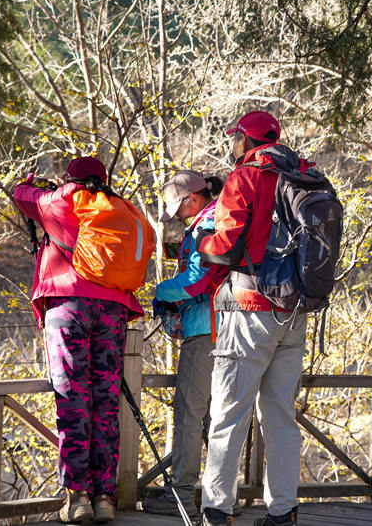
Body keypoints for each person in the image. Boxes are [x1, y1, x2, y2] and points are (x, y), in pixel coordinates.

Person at [13, 156, 145, 524]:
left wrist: (39, 184)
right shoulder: (119, 208)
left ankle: (77, 497)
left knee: (73, 399)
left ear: (70, 178)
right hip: (114, 310)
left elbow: (21, 194)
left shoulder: (61, 200)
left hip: (69, 307)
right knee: (105, 402)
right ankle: (104, 497)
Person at [196, 111, 306, 526]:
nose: (232, 143)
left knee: (228, 412)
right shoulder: (302, 174)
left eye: (235, 136)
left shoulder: (245, 176)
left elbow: (225, 245)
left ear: (247, 139)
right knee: (280, 415)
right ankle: (283, 512)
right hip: (293, 310)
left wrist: (202, 244)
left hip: (249, 307)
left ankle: (216, 510)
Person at [142, 170, 227, 516]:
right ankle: (221, 497)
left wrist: (161, 293)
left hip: (206, 330)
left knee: (189, 413)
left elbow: (195, 281)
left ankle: (181, 495)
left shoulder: (206, 224)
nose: (176, 217)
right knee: (219, 416)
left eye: (177, 208)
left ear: (193, 198)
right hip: (228, 328)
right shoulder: (224, 217)